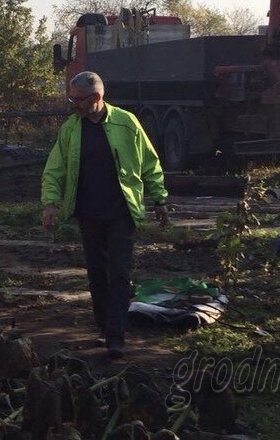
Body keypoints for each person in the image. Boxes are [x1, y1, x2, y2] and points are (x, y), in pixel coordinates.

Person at [40, 70, 169, 359]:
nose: (72, 104)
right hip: (87, 212)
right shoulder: (71, 128)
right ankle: (103, 327)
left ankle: (116, 336)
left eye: (77, 99)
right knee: (96, 273)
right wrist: (50, 203)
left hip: (121, 211)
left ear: (95, 98)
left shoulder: (126, 123)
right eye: (70, 98)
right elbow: (55, 168)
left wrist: (159, 198)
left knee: (119, 272)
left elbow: (149, 162)